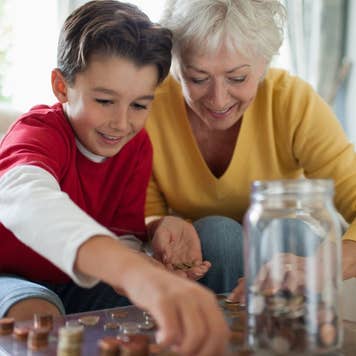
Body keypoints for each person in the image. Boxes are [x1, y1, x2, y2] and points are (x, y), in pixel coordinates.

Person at [0, 1, 229, 354]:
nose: (122, 123)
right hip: (9, 276)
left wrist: (142, 263)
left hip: (75, 282)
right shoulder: (38, 132)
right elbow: (24, 199)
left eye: (139, 105)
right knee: (36, 315)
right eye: (105, 100)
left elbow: (123, 233)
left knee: (147, 315)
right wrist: (133, 274)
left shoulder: (136, 147)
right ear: (62, 87)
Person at [144, 0, 356, 296]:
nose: (218, 100)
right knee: (219, 235)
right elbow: (148, 213)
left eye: (238, 78)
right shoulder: (149, 106)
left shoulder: (292, 102)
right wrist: (160, 226)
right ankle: (219, 338)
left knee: (287, 230)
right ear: (176, 68)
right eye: (198, 78)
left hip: (286, 252)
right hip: (208, 253)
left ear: (263, 64)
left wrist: (327, 265)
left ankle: (280, 337)